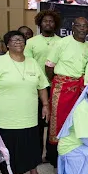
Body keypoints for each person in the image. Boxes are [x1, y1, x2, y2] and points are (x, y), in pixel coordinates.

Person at [0, 30, 50, 174]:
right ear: (7, 44)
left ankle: (33, 173)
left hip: (30, 116)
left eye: (21, 39)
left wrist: (45, 104)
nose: (18, 41)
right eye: (14, 39)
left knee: (32, 145)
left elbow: (42, 86)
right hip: (6, 117)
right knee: (8, 148)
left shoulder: (32, 63)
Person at [45, 17, 88, 167]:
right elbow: (49, 66)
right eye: (79, 26)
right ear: (73, 27)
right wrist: (59, 82)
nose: (82, 29)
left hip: (80, 88)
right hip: (62, 87)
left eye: (85, 26)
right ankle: (54, 158)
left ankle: (72, 155)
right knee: (58, 120)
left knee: (76, 121)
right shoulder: (62, 43)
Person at [24, 10, 62, 159]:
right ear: (40, 23)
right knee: (38, 123)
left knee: (54, 121)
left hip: (56, 86)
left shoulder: (61, 41)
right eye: (45, 21)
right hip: (38, 87)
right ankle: (37, 154)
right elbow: (27, 64)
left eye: (51, 21)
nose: (48, 23)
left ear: (56, 24)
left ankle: (51, 155)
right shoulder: (31, 42)